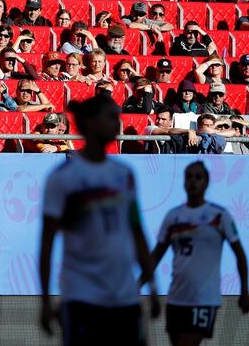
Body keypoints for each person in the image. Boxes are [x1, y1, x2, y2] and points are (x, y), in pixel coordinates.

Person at [39, 95, 159, 345]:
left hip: (124, 295)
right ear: (90, 124)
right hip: (82, 296)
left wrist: (154, 287)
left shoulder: (124, 175)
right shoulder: (63, 178)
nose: (118, 124)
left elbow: (136, 231)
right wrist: (45, 300)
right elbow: (47, 242)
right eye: (111, 118)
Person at [142, 161, 249, 345]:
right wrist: (140, 285)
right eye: (189, 177)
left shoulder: (219, 216)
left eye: (198, 177)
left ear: (206, 183)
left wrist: (244, 291)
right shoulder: (173, 216)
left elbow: (239, 254)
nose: (193, 181)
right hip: (176, 299)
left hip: (204, 300)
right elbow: (156, 255)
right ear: (183, 183)